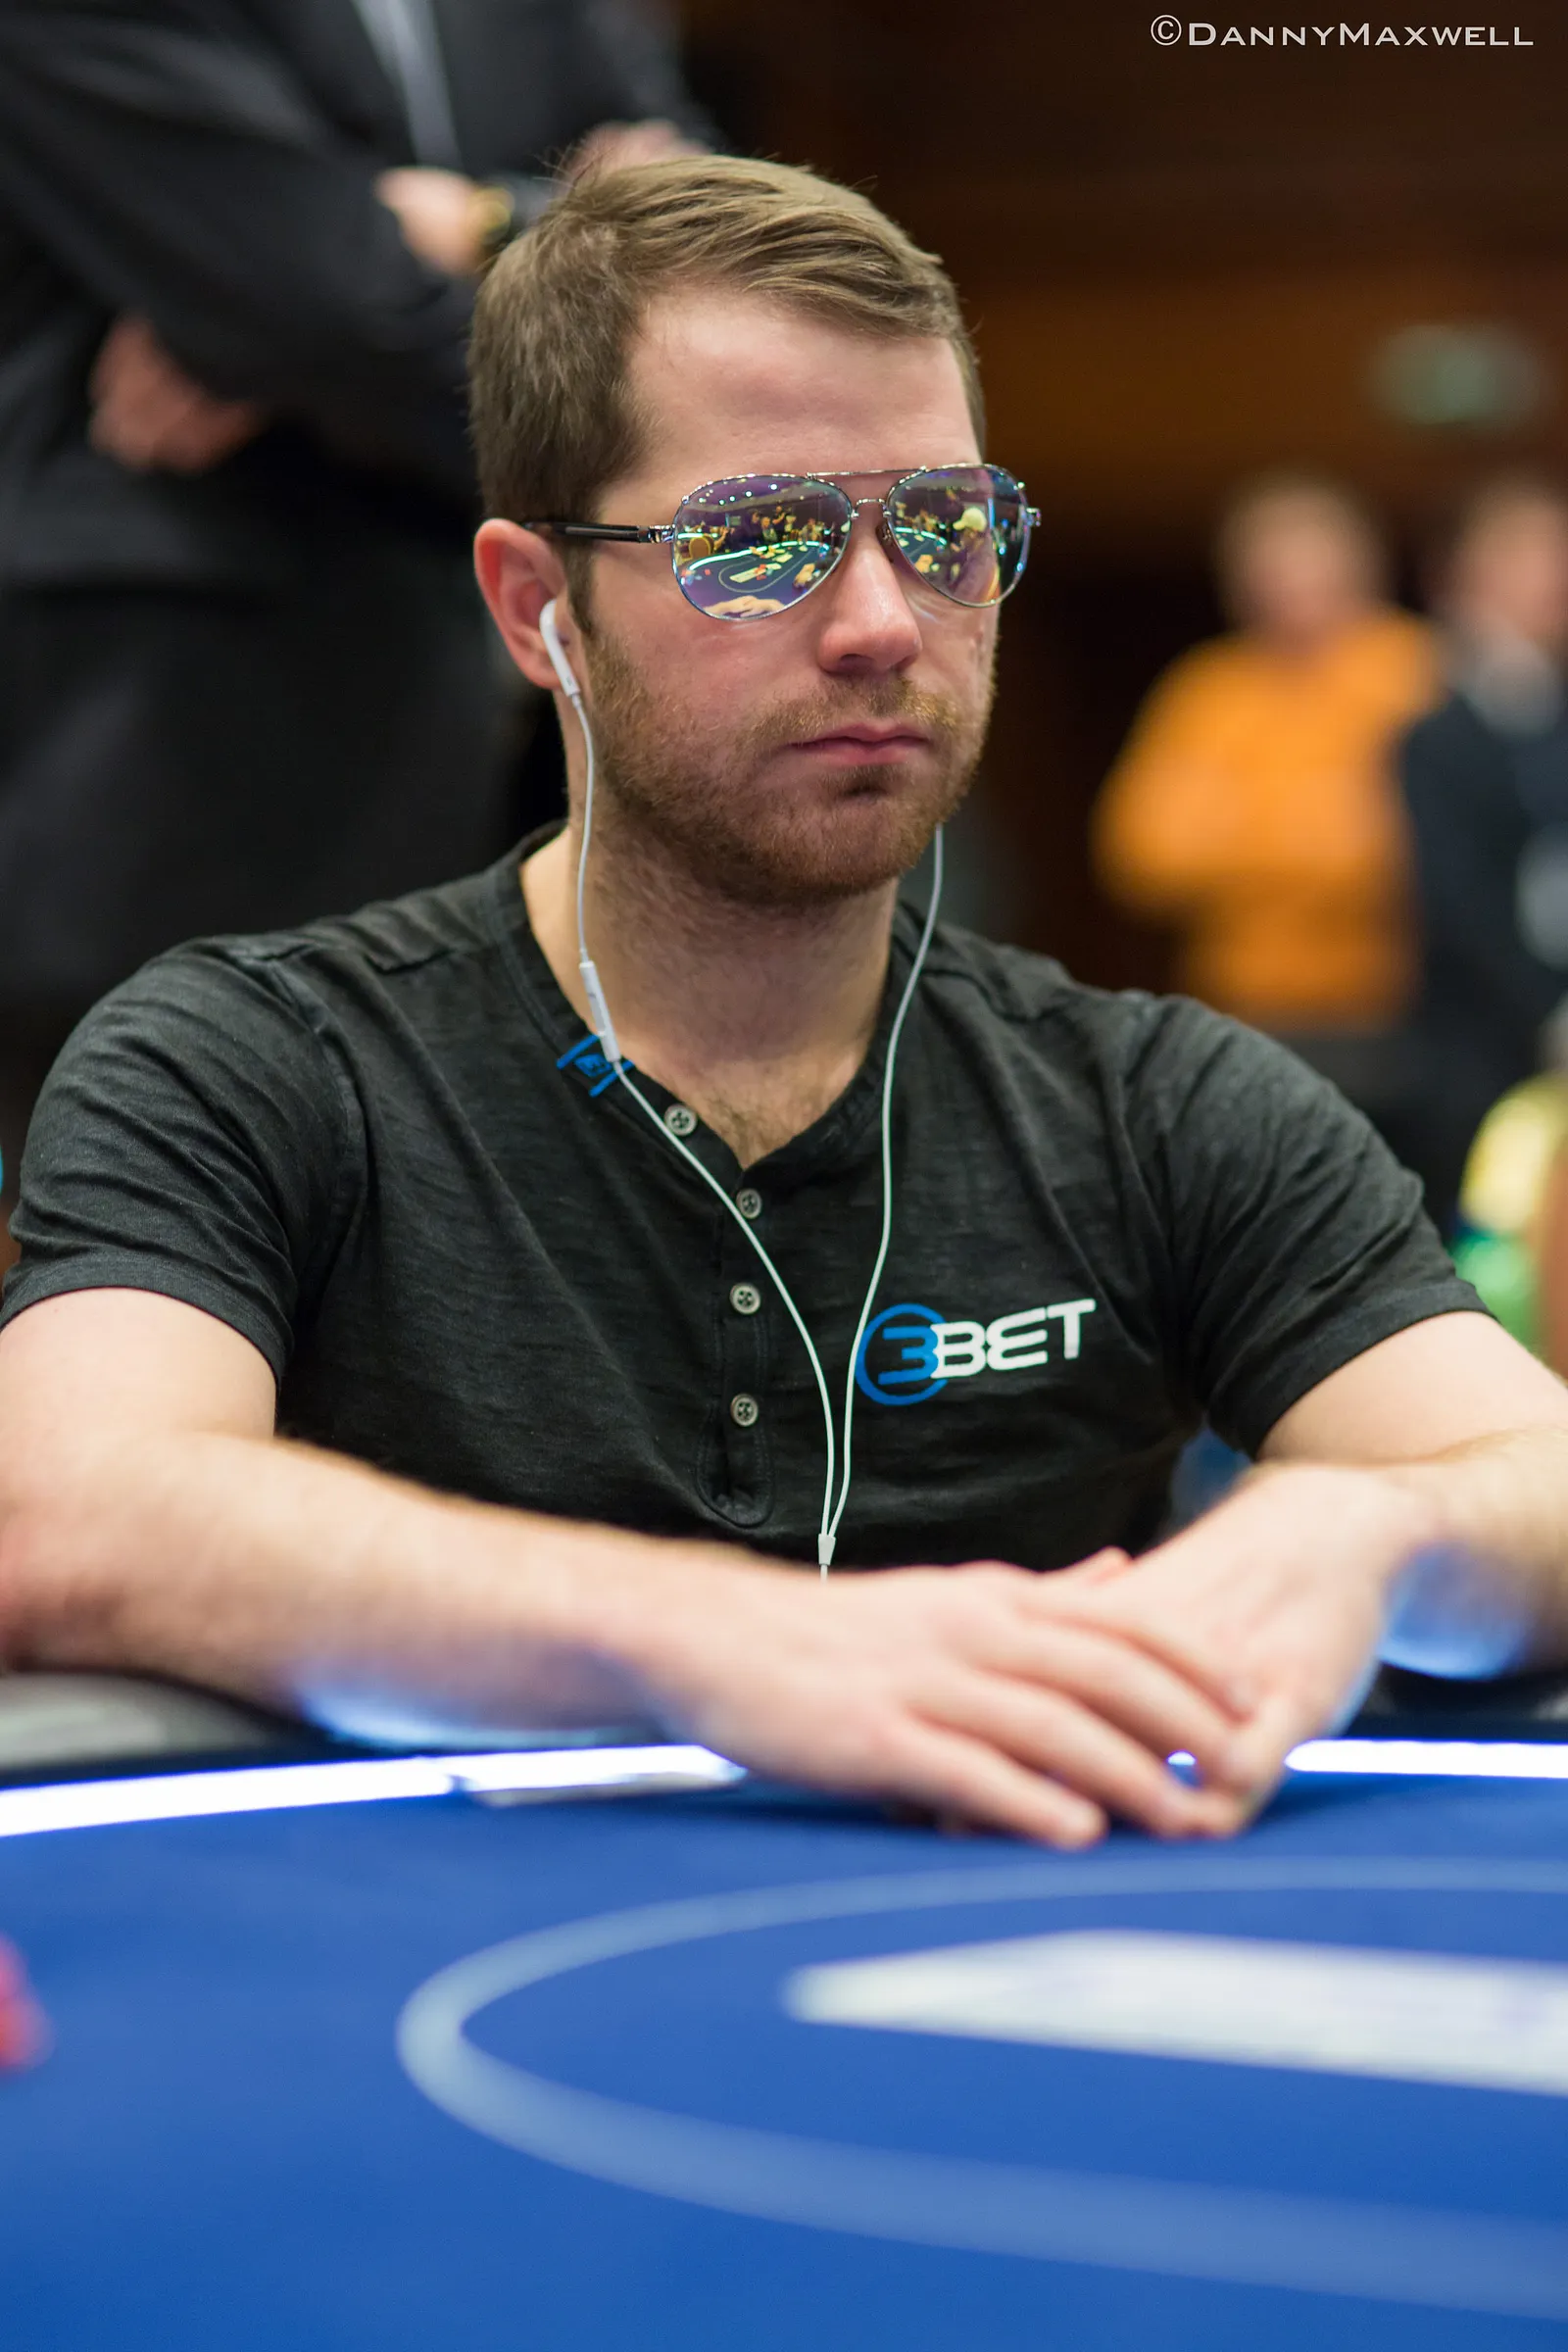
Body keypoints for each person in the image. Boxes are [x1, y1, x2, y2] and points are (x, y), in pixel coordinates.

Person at [3, 158, 1568, 1851]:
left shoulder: (1159, 1102)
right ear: (538, 610)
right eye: (761, 543)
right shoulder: (252, 1065)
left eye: (947, 531)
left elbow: (1530, 1479)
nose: (885, 624)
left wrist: (1368, 1536)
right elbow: (63, 1512)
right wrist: (715, 1644)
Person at [0, 0, 710, 1236]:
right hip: (180, 724)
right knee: (158, 1236)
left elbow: (711, 235)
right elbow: (315, 300)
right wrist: (559, 267)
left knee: (452, 1249)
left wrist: (476, 222)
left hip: (510, 709)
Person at [1093, 475, 1439, 1119]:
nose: (1291, 590)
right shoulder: (1209, 692)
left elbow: (1420, 852)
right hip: (1247, 1013)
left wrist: (1240, 829)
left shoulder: (1417, 675)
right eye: (1271, 570)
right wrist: (1316, 830)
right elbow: (1142, 854)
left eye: (1312, 566)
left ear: (1362, 569)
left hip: (1401, 1012)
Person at [1398, 480, 1568, 1231]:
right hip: (1486, 1057)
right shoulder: (1438, 736)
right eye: (1530, 554)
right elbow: (1458, 902)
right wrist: (1549, 1013)